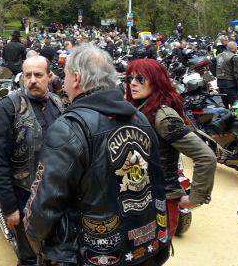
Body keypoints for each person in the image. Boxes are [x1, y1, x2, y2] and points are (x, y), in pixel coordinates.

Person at [24, 44, 170, 266]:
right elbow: (157, 182)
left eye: (65, 75)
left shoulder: (69, 127)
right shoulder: (139, 118)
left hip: (90, 253)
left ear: (76, 78)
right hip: (144, 248)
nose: (63, 82)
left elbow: (45, 205)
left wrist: (35, 241)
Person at [0, 56, 65, 266]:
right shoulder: (7, 108)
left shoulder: (57, 103)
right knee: (29, 258)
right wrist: (9, 207)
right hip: (23, 197)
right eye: (27, 75)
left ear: (49, 77)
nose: (32, 80)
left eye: (38, 75)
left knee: (57, 253)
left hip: (56, 195)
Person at [125, 59, 216, 237]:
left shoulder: (163, 116)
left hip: (161, 201)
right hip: (140, 199)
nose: (133, 83)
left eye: (140, 79)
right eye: (130, 79)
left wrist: (194, 198)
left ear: (156, 82)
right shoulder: (141, 109)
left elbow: (206, 156)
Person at [216, 41, 238, 107]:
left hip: (220, 83)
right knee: (235, 105)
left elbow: (212, 65)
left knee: (225, 105)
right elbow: (237, 73)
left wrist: (216, 74)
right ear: (235, 49)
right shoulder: (235, 57)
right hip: (231, 85)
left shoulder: (219, 55)